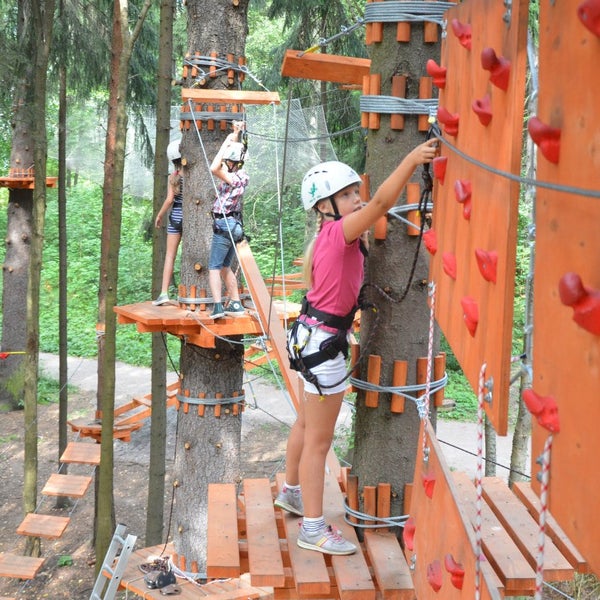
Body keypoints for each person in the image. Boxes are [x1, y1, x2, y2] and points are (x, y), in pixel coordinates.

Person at [274, 140, 438, 555]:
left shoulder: (331, 237)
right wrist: (411, 158)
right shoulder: (341, 232)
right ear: (324, 207)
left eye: (353, 192)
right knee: (319, 442)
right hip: (324, 346)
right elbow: (382, 201)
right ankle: (312, 528)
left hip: (313, 337)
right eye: (346, 195)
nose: (355, 199)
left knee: (306, 426)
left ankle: (291, 491)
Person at [208, 121, 249, 318]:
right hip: (233, 225)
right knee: (225, 267)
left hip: (224, 223)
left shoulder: (234, 178)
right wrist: (235, 133)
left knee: (214, 268)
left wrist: (225, 142)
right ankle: (235, 304)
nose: (226, 164)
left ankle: (217, 307)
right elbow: (234, 156)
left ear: (233, 163)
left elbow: (214, 167)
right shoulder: (241, 175)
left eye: (229, 161)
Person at [153, 139, 184, 306]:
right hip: (191, 219)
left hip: (175, 218)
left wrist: (159, 215)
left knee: (170, 256)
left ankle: (164, 293)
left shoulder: (174, 177)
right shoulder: (195, 174)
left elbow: (169, 199)